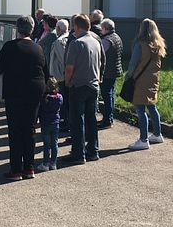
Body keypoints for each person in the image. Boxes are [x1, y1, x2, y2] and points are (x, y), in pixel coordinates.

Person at [0, 16, 48, 180]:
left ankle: (16, 169)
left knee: (15, 130)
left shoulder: (10, 46)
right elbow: (45, 71)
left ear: (18, 29)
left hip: (15, 92)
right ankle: (29, 168)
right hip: (34, 91)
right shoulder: (38, 48)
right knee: (30, 129)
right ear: (31, 30)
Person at [63, 14, 105, 165]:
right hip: (93, 85)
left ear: (77, 26)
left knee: (76, 120)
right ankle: (93, 151)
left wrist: (67, 82)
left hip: (78, 85)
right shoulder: (96, 42)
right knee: (91, 119)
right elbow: (101, 63)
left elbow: (69, 68)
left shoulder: (76, 43)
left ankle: (78, 153)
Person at [126, 18, 167, 151]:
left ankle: (143, 140)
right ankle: (157, 134)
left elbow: (133, 64)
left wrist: (128, 77)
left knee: (140, 109)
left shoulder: (140, 44)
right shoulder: (158, 45)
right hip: (153, 79)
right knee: (152, 106)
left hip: (140, 80)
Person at [99, 18, 123, 129]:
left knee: (107, 95)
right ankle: (110, 117)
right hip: (115, 69)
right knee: (111, 94)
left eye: (101, 28)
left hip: (107, 71)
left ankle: (107, 119)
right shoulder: (117, 37)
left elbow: (100, 55)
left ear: (105, 28)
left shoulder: (106, 40)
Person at [37, 77, 63, 172]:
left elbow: (41, 109)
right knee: (54, 144)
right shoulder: (60, 97)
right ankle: (53, 163)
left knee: (46, 144)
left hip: (46, 122)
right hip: (56, 122)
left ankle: (45, 163)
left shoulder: (45, 98)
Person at [49, 19, 70, 129]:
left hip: (60, 75)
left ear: (58, 28)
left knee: (63, 100)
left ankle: (65, 121)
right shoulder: (68, 37)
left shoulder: (59, 41)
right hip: (63, 74)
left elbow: (63, 60)